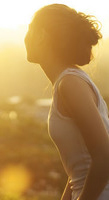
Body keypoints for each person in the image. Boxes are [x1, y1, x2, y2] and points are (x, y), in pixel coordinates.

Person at [24, 4, 109, 200]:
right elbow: (79, 170)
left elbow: (104, 155)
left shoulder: (70, 84)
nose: (26, 37)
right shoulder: (69, 81)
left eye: (30, 28)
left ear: (42, 35)